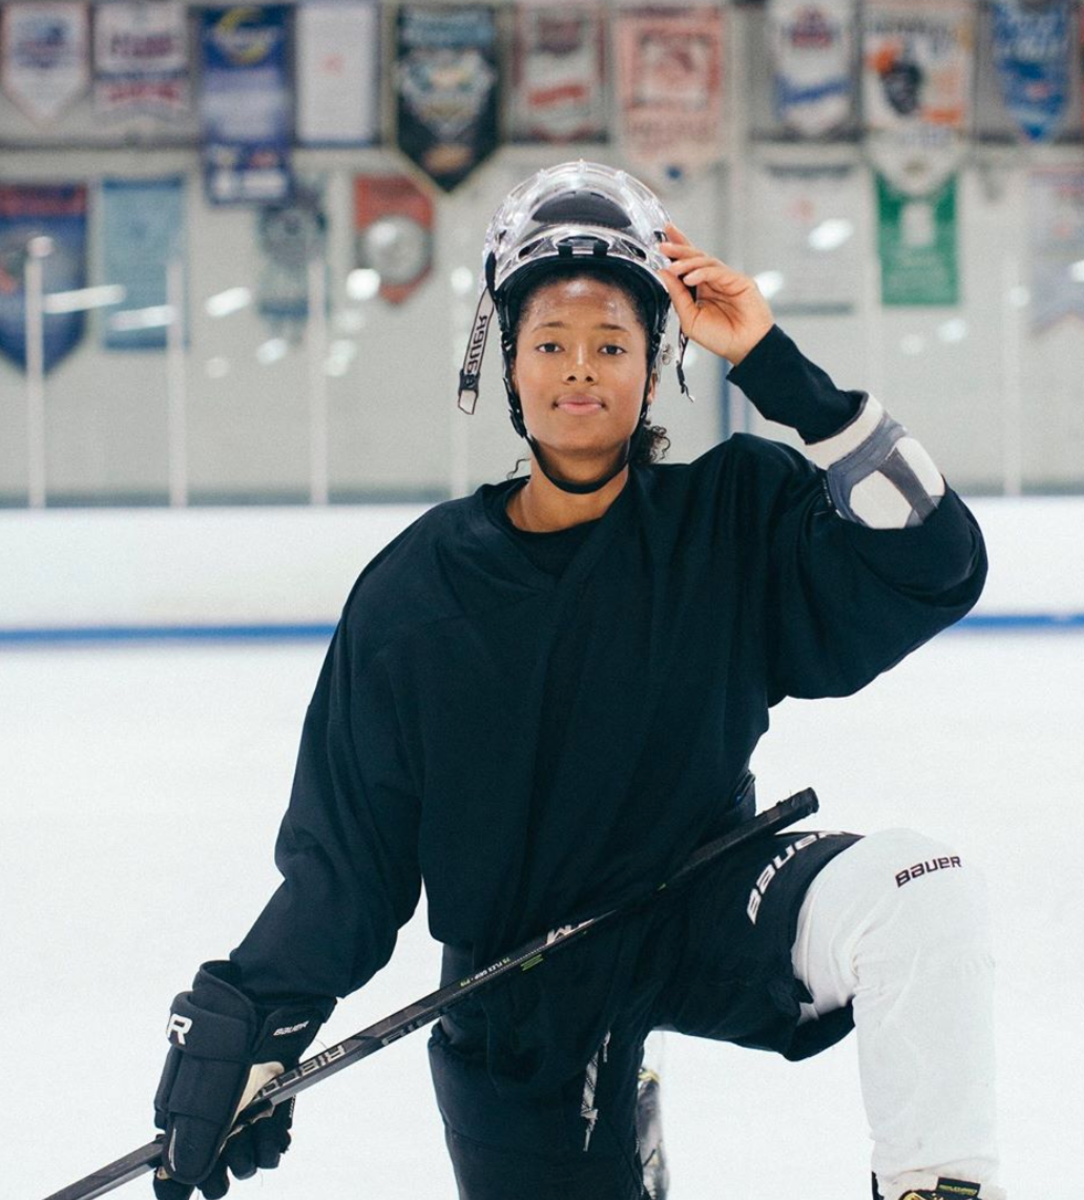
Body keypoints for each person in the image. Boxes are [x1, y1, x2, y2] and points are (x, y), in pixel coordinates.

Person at [151, 162, 1000, 1200]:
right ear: (508, 365)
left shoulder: (727, 516)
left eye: (612, 345)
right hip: (519, 986)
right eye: (550, 344)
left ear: (658, 363)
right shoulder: (416, 592)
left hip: (704, 901)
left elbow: (934, 555)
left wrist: (776, 369)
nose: (579, 371)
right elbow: (351, 865)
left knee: (918, 889)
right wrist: (250, 1016)